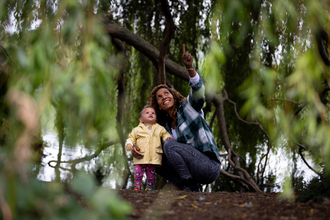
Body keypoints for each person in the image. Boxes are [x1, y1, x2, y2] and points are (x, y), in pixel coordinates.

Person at [142, 44, 221, 192]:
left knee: (169, 145)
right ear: (158, 105)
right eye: (159, 97)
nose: (164, 97)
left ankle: (189, 184)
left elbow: (198, 91)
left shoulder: (188, 108)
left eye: (166, 93)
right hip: (193, 170)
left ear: (173, 95)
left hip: (208, 166)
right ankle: (186, 185)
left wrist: (190, 68)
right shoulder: (164, 127)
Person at [125, 105, 173, 191]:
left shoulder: (159, 128)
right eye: (147, 112)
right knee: (137, 174)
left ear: (156, 119)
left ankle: (150, 189)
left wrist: (167, 138)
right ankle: (137, 187)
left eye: (153, 113)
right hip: (140, 157)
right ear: (141, 119)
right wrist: (129, 144)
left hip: (153, 158)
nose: (150, 113)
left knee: (151, 176)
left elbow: (165, 134)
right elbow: (131, 137)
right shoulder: (137, 129)